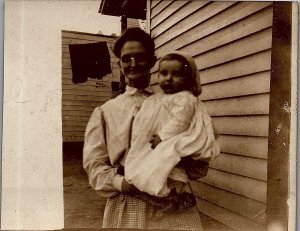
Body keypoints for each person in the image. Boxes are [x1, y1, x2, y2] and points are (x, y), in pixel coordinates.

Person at [83, 27, 203, 230]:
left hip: (172, 202)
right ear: (119, 64)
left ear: (152, 61)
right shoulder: (105, 112)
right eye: (126, 58)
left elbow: (198, 160)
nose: (133, 64)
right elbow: (94, 167)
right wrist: (122, 183)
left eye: (140, 57)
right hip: (128, 205)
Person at [125, 51, 220, 198]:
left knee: (165, 159)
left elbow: (180, 121)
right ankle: (152, 186)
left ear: (187, 79)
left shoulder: (184, 98)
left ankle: (167, 191)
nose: (169, 78)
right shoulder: (159, 98)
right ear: (158, 76)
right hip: (166, 137)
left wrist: (162, 137)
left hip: (178, 136)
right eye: (164, 73)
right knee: (150, 160)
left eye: (176, 74)